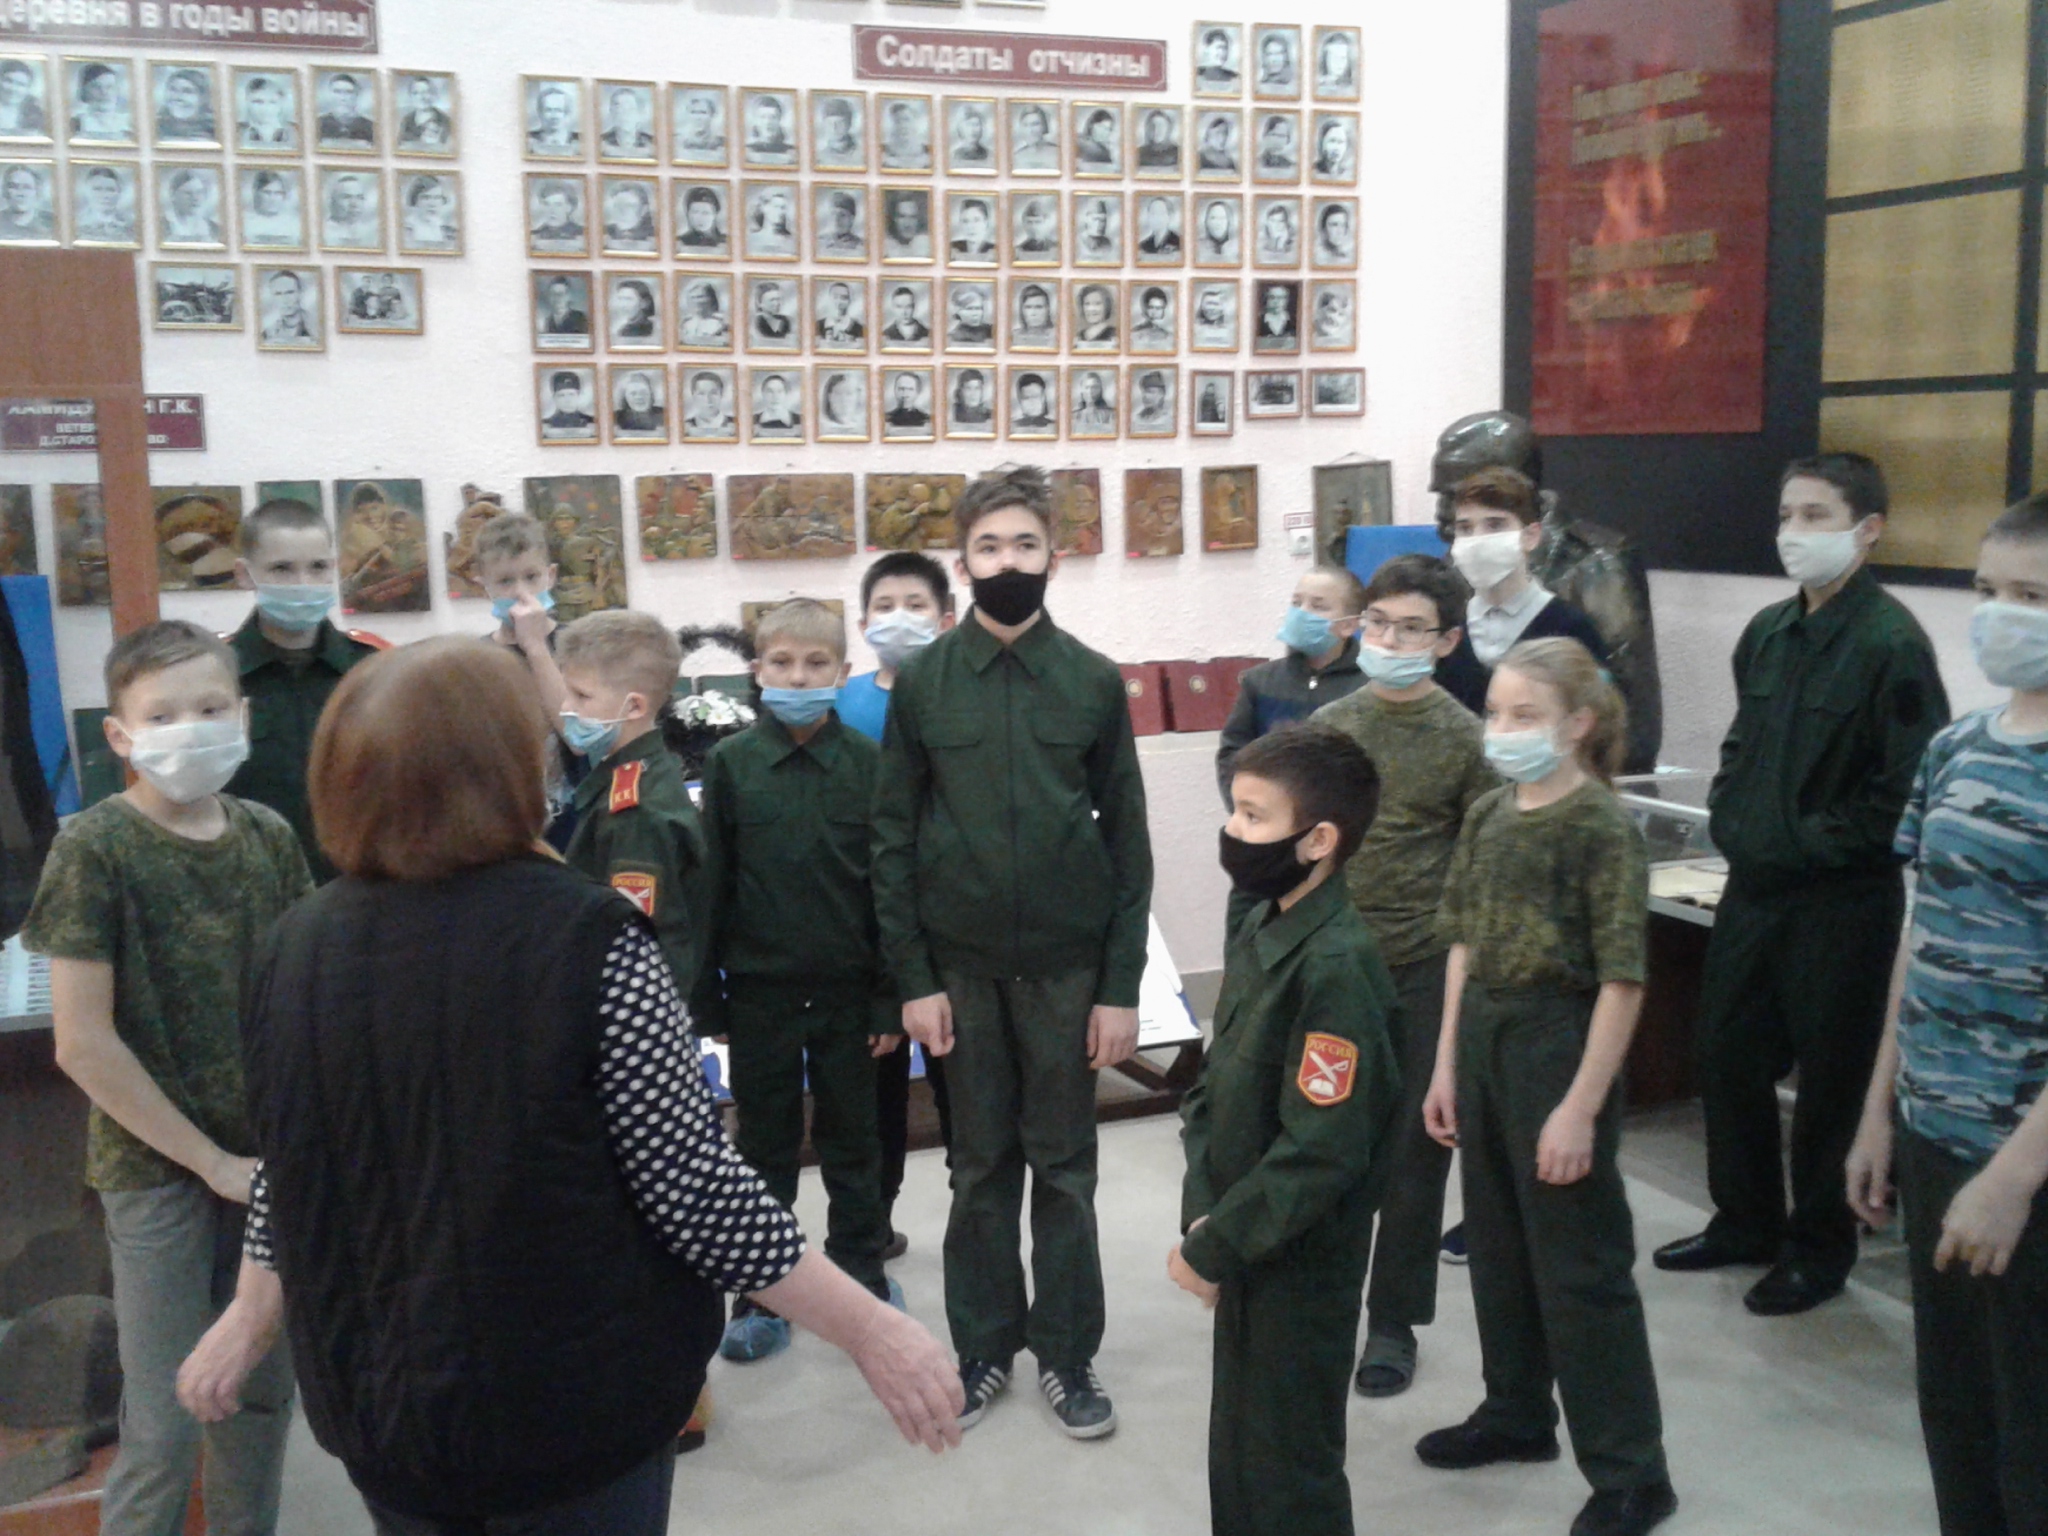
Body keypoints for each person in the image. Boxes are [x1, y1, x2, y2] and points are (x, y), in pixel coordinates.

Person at [171, 640, 963, 1536]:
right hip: (570, 1408)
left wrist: (252, 1313)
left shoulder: (294, 947)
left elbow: (290, 1161)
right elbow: (693, 1187)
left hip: (384, 1406)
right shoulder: (589, 939)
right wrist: (870, 1329)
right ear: (508, 767)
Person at [873, 466, 1153, 1438]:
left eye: (1023, 545)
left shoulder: (1089, 680)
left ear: (1052, 558)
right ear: (963, 563)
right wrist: (913, 980)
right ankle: (984, 1347)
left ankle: (1068, 1356)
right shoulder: (923, 684)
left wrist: (1120, 988)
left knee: (1064, 1169)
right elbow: (891, 841)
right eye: (988, 547)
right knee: (978, 1166)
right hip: (960, 973)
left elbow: (1127, 843)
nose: (1006, 563)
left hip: (1068, 973)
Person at [24, 620, 312, 1536]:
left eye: (211, 707)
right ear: (119, 735)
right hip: (156, 1172)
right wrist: (210, 1162)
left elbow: (304, 1002)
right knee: (165, 1421)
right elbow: (83, 1043)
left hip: (266, 1166)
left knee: (259, 1402)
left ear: (243, 716)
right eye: (161, 714)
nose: (190, 728)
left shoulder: (267, 837)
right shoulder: (95, 848)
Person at [1654, 453, 1950, 1314]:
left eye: (1816, 516)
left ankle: (1819, 1249)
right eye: (1788, 515)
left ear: (1868, 530)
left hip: (1841, 901)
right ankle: (1744, 1219)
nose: (1794, 533)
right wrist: (1736, 814)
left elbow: (1905, 789)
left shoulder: (1891, 643)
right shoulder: (1768, 633)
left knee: (1830, 1082)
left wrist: (1803, 842)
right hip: (1753, 889)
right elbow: (1741, 744)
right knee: (1726, 1055)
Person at [1419, 637, 1676, 1536]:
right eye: (1495, 713)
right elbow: (1461, 942)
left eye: (1525, 716)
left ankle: (1632, 1471)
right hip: (1485, 1035)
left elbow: (1622, 979)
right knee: (1498, 1248)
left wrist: (1579, 1106)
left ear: (1578, 724)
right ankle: (1517, 1412)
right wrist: (1447, 1065)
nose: (1503, 729)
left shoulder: (1600, 827)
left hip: (1557, 1043)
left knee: (1579, 1265)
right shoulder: (1490, 812)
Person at [1845, 493, 2048, 1536]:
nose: (2000, 614)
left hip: (2027, 1159)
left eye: (2031, 597)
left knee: (2033, 1433)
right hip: (1932, 1132)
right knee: (1957, 1412)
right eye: (1986, 590)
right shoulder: (1957, 748)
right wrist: (1878, 1112)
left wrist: (2012, 1180)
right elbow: (1920, 939)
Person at [1172, 723, 1400, 1536]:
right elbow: (1213, 1088)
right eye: (1234, 810)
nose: (1233, 832)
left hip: (1299, 1254)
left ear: (1319, 840)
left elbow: (1321, 1149)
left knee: (1289, 1460)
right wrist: (1206, 1215)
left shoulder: (1336, 966)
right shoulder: (1263, 923)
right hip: (1245, 1232)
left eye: (1254, 816)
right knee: (1238, 1445)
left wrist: (1214, 1245)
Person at [690, 600, 903, 1362]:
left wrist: (890, 997)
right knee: (765, 1146)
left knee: (854, 1143)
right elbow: (712, 885)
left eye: (816, 664)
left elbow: (890, 890)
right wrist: (706, 997)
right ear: (757, 671)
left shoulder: (872, 767)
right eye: (782, 662)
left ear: (842, 673)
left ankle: (860, 1275)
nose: (799, 677)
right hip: (761, 994)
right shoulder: (731, 765)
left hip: (850, 995)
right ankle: (762, 1294)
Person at [1308, 555, 1495, 1399]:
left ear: (1447, 640)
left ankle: (1393, 1322)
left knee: (1416, 1158)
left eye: (1411, 628)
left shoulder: (1468, 739)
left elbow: (1480, 872)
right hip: (1337, 967)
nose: (1388, 640)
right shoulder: (1333, 725)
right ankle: (1320, 1299)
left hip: (1425, 967)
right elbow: (1302, 849)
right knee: (1324, 1140)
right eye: (1378, 623)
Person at [220, 498, 376, 880]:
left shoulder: (371, 670)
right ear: (244, 574)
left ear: (334, 569)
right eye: (282, 569)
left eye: (318, 567)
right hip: (251, 883)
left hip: (356, 883)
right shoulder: (215, 676)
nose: (303, 583)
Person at [1435, 468, 1611, 718]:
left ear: (1530, 536)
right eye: (1465, 528)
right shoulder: (1447, 627)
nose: (1477, 539)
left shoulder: (1571, 628)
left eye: (1495, 525)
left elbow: (1596, 722)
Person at [75, 164, 135, 243]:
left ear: (119, 192)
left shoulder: (131, 225)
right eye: (97, 189)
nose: (105, 195)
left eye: (110, 190)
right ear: (87, 192)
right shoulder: (75, 224)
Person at [71, 61, 130, 142]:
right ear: (85, 91)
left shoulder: (128, 123)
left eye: (109, 87)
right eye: (96, 87)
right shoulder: (77, 123)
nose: (104, 93)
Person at [161, 169, 221, 245]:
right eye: (188, 193)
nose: (195, 198)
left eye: (199, 192)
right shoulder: (160, 226)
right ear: (172, 195)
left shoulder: (214, 229)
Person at [156, 66, 216, 142]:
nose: (177, 97)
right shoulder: (153, 128)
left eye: (187, 91)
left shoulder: (216, 132)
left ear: (203, 98)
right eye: (173, 89)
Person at [236, 74, 295, 151]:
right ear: (247, 101)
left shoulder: (296, 133)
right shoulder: (236, 131)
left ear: (281, 103)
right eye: (258, 101)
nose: (266, 108)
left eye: (272, 102)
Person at [394, 74, 452, 150]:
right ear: (410, 96)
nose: (421, 97)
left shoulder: (445, 121)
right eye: (416, 93)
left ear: (434, 95)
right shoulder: (406, 120)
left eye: (426, 92)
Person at [260, 270, 316, 345]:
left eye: (290, 292)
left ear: (300, 293)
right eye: (278, 294)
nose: (284, 300)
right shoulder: (268, 333)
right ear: (272, 297)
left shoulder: (316, 327)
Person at [317, 72, 373, 147]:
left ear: (357, 94)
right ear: (329, 94)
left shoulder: (371, 127)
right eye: (337, 92)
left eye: (349, 92)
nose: (343, 98)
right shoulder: (316, 125)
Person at [403, 176, 457, 251]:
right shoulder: (405, 230)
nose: (432, 204)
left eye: (437, 197)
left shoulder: (448, 232)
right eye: (426, 198)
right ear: (415, 200)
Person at [527, 82, 581, 155]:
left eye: (559, 110)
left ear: (567, 113)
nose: (554, 116)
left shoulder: (581, 141)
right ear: (540, 112)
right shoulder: (527, 140)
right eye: (548, 110)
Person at [601, 87, 655, 157]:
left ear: (640, 113)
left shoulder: (652, 144)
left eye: (630, 109)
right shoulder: (601, 143)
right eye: (619, 109)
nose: (624, 115)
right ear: (611, 112)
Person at [604, 182, 657, 252]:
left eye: (629, 206)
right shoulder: (603, 234)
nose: (621, 211)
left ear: (644, 210)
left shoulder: (656, 237)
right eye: (617, 205)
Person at [683, 370, 736, 438]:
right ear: (693, 395)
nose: (708, 399)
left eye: (713, 393)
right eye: (701, 393)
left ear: (721, 394)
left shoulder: (737, 425)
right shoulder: (683, 428)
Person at [540, 372, 595, 439]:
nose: (567, 400)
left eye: (571, 394)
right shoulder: (545, 425)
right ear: (554, 398)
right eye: (561, 395)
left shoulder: (592, 423)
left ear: (579, 395)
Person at [676, 185, 726, 253]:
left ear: (715, 214)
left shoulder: (725, 243)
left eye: (705, 213)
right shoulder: (679, 243)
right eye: (695, 212)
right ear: (688, 213)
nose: (699, 218)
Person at [678, 281, 729, 347]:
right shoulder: (685, 324)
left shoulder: (722, 323)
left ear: (711, 299)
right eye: (693, 297)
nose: (696, 301)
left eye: (700, 297)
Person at [675, 91, 725, 158]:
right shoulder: (677, 142)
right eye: (693, 112)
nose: (698, 117)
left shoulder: (722, 144)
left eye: (703, 112)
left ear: (712, 115)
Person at [816, 281, 864, 347]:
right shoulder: (817, 326)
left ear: (850, 300)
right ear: (828, 299)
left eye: (844, 298)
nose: (839, 302)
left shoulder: (859, 329)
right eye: (835, 297)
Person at [819, 190, 865, 257]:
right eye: (833, 214)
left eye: (842, 215)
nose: (837, 220)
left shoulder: (862, 247)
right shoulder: (819, 243)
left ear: (852, 219)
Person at [1012, 104, 1057, 171]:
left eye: (1035, 124)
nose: (1030, 130)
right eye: (1025, 125)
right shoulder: (1016, 157)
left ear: (1044, 126)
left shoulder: (1058, 153)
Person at [884, 191, 929, 259]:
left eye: (913, 217)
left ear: (919, 219)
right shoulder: (883, 247)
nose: (907, 224)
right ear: (894, 218)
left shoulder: (927, 244)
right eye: (902, 217)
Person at [819, 96, 862, 164]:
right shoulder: (819, 158)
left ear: (849, 123)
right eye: (830, 123)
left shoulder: (862, 155)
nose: (834, 128)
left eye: (840, 123)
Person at [1197, 28, 1241, 92]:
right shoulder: (1196, 75)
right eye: (1219, 47)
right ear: (1207, 49)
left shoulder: (1235, 78)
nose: (1223, 53)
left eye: (1225, 48)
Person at [1316, 201, 1355, 265]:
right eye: (1334, 225)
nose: (1339, 231)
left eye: (1343, 225)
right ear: (1323, 228)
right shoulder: (1319, 257)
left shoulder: (1347, 257)